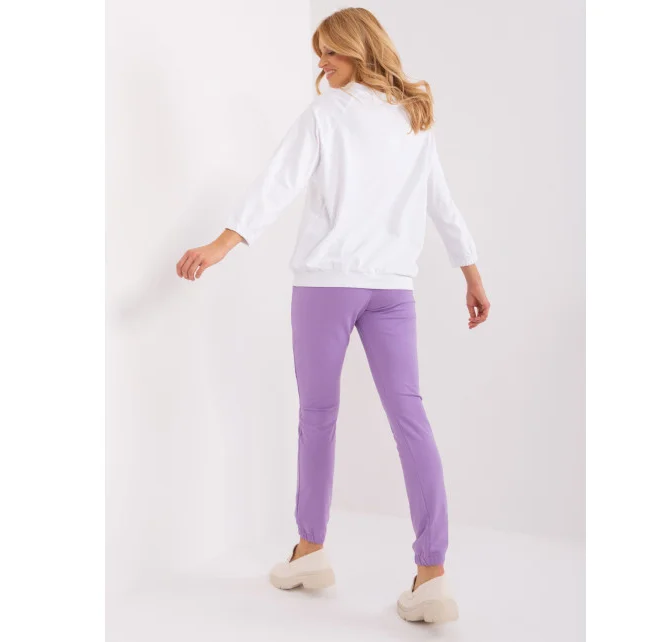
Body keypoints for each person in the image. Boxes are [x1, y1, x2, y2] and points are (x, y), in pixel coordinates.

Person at [176, 7, 490, 624]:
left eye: (332, 51)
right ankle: (432, 577)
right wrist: (471, 275)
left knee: (318, 416)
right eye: (320, 53)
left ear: (360, 49)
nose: (323, 63)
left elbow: (276, 184)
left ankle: (310, 551)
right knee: (411, 419)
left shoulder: (327, 115)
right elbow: (443, 205)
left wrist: (222, 244)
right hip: (392, 290)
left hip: (327, 286)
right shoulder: (413, 118)